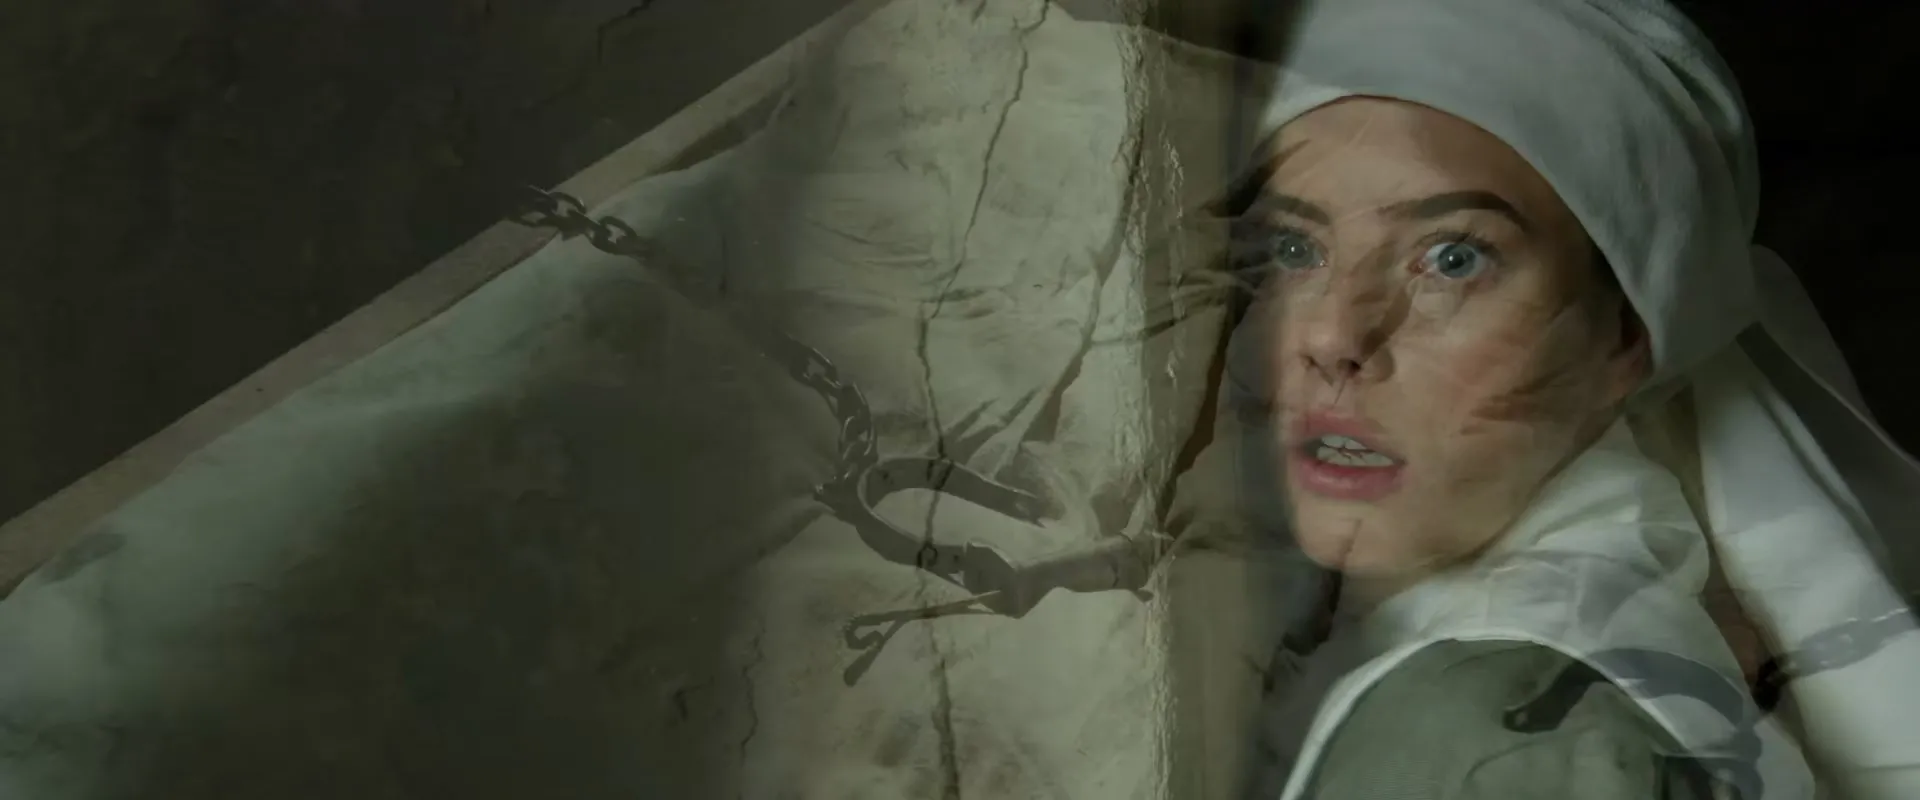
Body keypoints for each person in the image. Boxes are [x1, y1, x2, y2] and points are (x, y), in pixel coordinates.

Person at [1219, 0, 1920, 798]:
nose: (1334, 334)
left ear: (1624, 336)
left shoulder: (1500, 735)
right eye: (1294, 247)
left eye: (1452, 259)